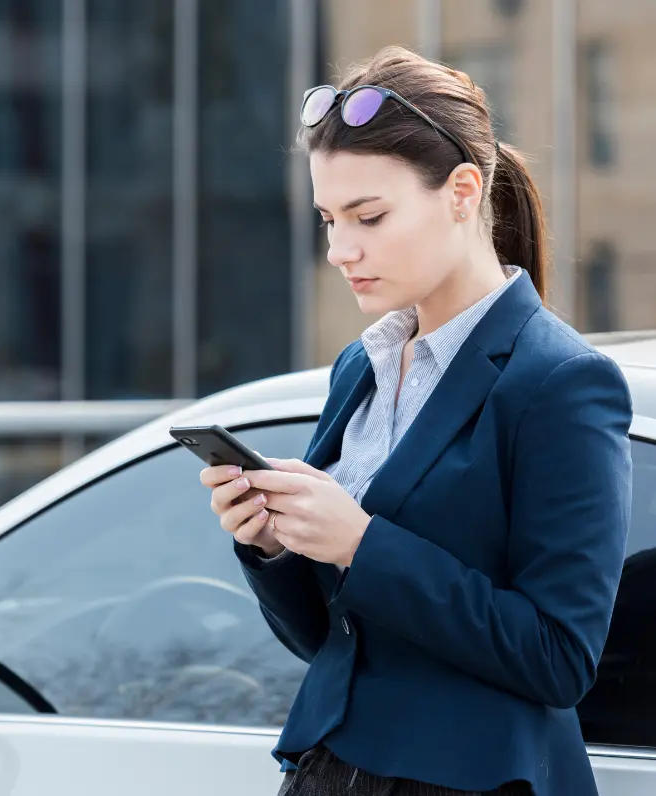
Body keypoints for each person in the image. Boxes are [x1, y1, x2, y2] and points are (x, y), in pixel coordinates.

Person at [200, 46, 633, 795]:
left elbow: (559, 658)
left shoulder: (561, 382)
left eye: (368, 216)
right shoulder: (360, 368)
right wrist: (277, 547)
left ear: (463, 191)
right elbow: (336, 642)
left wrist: (361, 544)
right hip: (331, 770)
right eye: (329, 219)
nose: (340, 250)